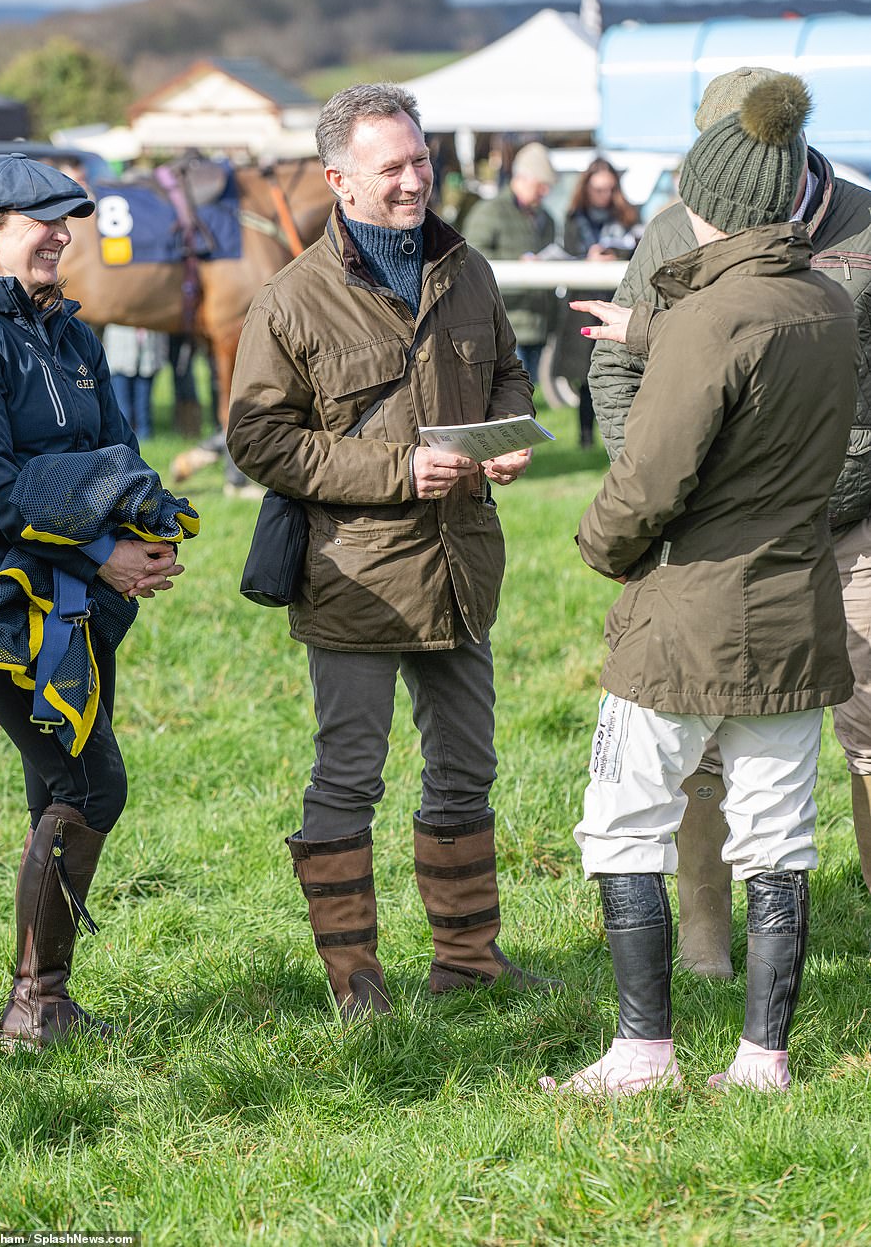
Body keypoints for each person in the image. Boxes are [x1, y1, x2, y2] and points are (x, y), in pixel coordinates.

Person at [539, 74, 857, 1094]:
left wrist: (600, 546)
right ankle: (760, 1058)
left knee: (623, 816)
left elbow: (650, 476)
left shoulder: (713, 317)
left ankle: (641, 1049)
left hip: (688, 608)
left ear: (714, 200)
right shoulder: (822, 304)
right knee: (779, 829)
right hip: (793, 593)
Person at [227, 83, 553, 1019]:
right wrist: (395, 470)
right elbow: (260, 441)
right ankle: (357, 983)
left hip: (460, 567)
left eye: (422, 160)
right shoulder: (291, 299)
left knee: (467, 766)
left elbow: (504, 371)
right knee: (348, 774)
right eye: (394, 167)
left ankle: (468, 959)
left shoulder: (469, 268)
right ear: (339, 179)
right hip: (355, 575)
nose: (417, 181)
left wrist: (505, 436)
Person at [0, 153, 188, 1050]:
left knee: (54, 792)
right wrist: (105, 546)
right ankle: (34, 1006)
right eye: (41, 217)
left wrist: (144, 524)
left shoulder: (68, 331)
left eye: (67, 216)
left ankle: (40, 1006)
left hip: (85, 602)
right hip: (2, 610)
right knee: (90, 781)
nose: (61, 232)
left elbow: (119, 450)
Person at [554, 159, 642, 449]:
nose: (604, 194)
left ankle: (619, 439)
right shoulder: (574, 218)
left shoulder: (627, 217)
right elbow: (569, 253)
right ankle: (586, 438)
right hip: (585, 305)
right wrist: (587, 258)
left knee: (621, 371)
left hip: (618, 299)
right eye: (598, 189)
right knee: (586, 376)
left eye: (608, 188)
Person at [461, 141, 559, 386]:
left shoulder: (546, 219)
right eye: (540, 185)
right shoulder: (489, 212)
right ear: (523, 178)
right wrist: (517, 264)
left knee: (529, 394)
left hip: (537, 320)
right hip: (505, 321)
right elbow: (470, 257)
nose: (544, 192)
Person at [103, 323, 167, 441]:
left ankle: (145, 437)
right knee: (123, 406)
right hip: (120, 359)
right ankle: (123, 440)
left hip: (148, 360)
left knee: (143, 405)